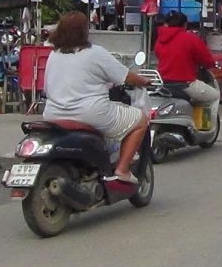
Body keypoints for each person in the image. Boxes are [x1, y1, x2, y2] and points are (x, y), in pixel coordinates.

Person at [42, 11, 152, 183]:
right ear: (85, 31)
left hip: (53, 114)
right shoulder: (95, 53)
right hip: (91, 114)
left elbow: (46, 88)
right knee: (140, 120)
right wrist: (144, 81)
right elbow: (125, 77)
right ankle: (122, 170)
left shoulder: (54, 55)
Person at [154, 11, 220, 104]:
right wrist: (211, 64)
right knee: (215, 96)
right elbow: (206, 60)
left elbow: (159, 55)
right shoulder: (190, 38)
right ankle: (206, 118)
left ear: (166, 24)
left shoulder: (159, 40)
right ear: (185, 25)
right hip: (186, 84)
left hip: (164, 84)